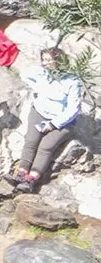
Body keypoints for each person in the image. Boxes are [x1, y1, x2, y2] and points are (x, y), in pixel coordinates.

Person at [12, 47, 84, 193]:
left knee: (45, 146)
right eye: (43, 60)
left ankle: (31, 179)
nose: (45, 63)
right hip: (40, 112)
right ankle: (21, 173)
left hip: (62, 121)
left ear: (58, 61)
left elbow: (73, 109)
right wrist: (36, 87)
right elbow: (24, 75)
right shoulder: (42, 73)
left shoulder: (72, 81)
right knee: (31, 141)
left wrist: (53, 124)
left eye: (48, 60)